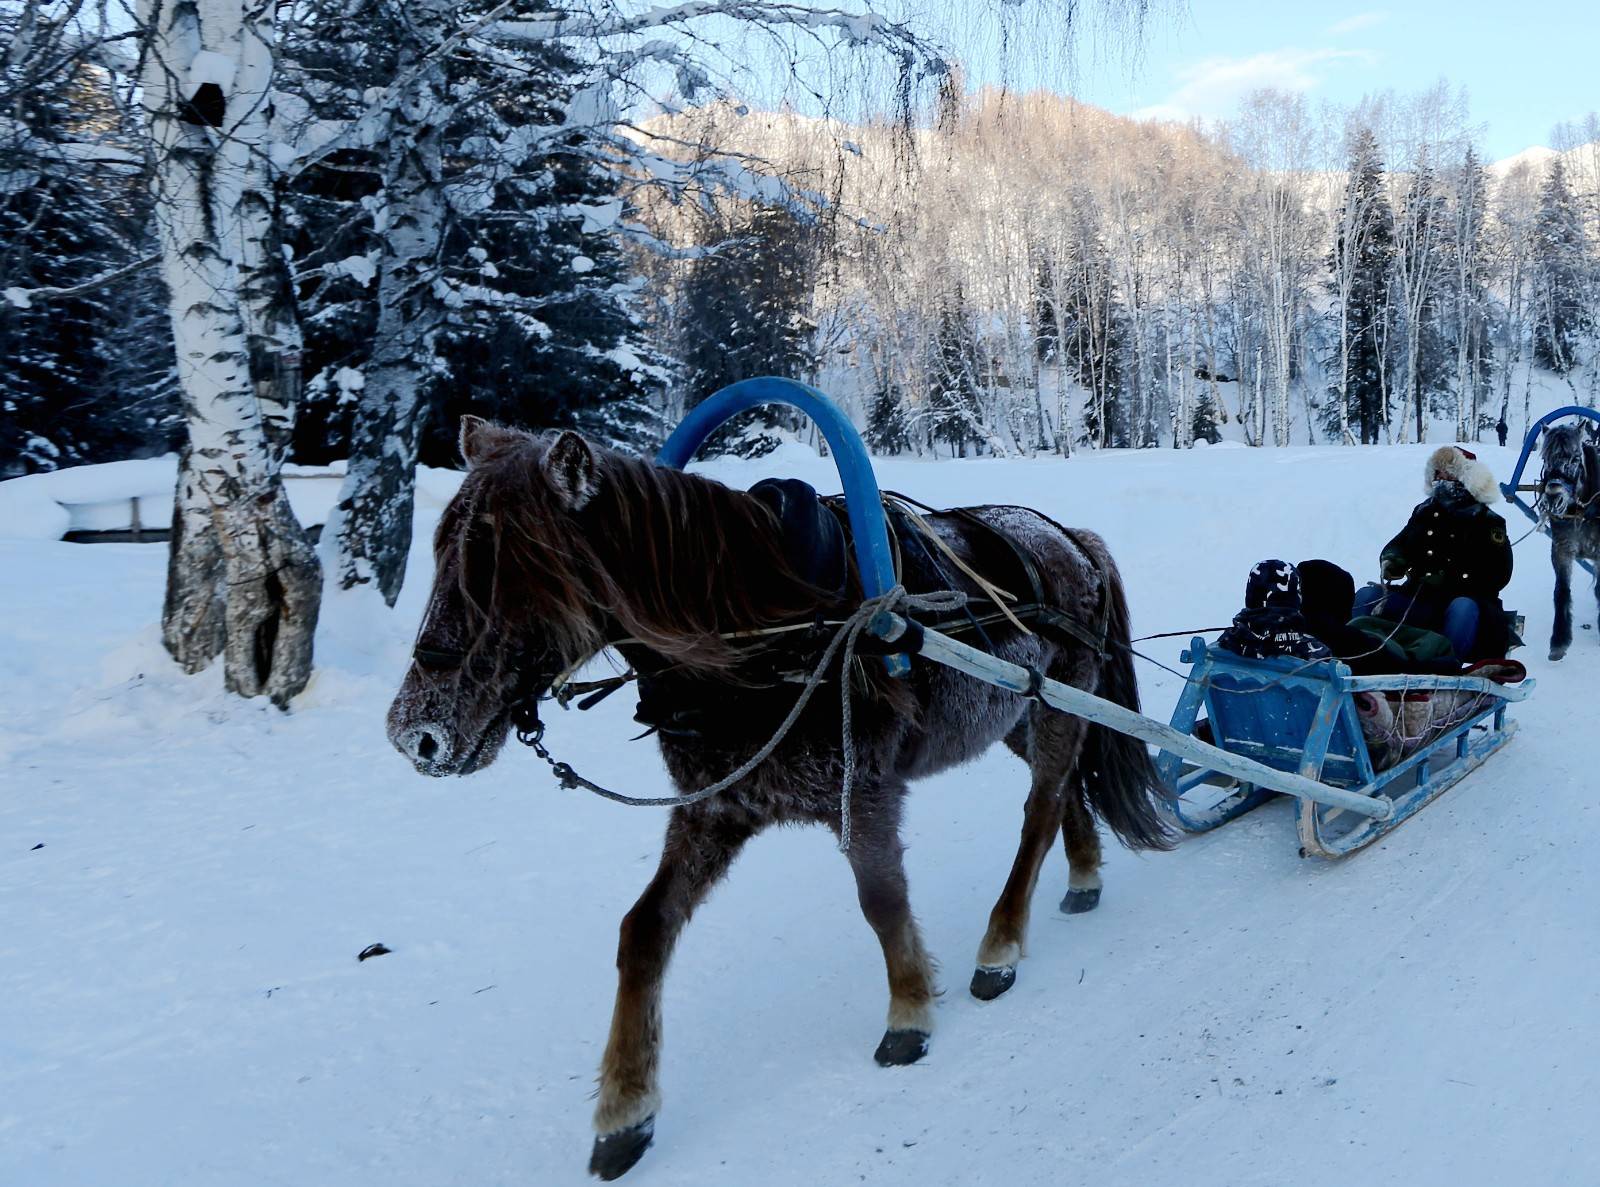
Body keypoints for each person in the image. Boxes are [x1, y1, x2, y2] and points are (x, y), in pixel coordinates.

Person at [1352, 446, 1513, 660]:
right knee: (1367, 596)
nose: (1442, 477)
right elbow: (1400, 543)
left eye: (1449, 472)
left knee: (1462, 608)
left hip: (1464, 605)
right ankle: (1359, 655)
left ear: (1467, 477)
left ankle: (1445, 666)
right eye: (1437, 472)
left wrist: (1453, 578)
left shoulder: (1487, 520)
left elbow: (1499, 574)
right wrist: (1392, 560)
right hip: (1419, 599)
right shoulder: (1425, 512)